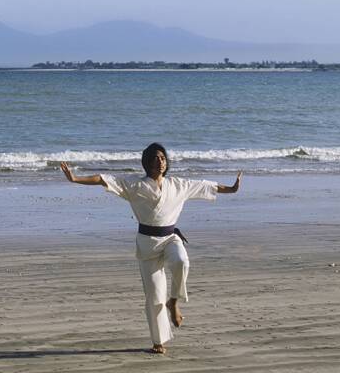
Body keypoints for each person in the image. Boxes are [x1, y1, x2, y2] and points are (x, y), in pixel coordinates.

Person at [60, 143, 241, 355]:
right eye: (155, 158)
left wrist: (232, 188)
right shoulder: (134, 185)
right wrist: (75, 179)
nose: (160, 161)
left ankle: (173, 302)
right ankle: (158, 341)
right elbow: (103, 179)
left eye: (163, 158)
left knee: (182, 261)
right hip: (147, 243)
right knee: (154, 297)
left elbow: (205, 186)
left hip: (171, 238)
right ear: (147, 162)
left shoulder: (177, 184)